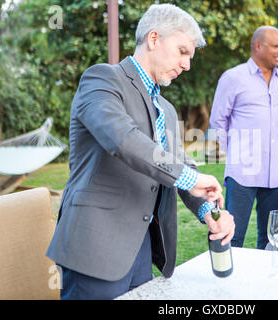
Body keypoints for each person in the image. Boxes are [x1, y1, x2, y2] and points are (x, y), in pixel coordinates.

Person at [46, 4, 235, 300]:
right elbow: (124, 140)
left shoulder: (168, 110)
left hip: (142, 250)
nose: (187, 64)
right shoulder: (102, 80)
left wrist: (207, 211)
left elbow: (177, 170)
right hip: (95, 248)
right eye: (183, 51)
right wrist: (189, 178)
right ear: (154, 39)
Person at [209, 26, 278, 250]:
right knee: (232, 238)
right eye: (276, 46)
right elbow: (218, 121)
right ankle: (227, 283)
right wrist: (233, 154)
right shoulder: (233, 78)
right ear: (258, 46)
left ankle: (264, 284)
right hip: (242, 175)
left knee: (271, 241)